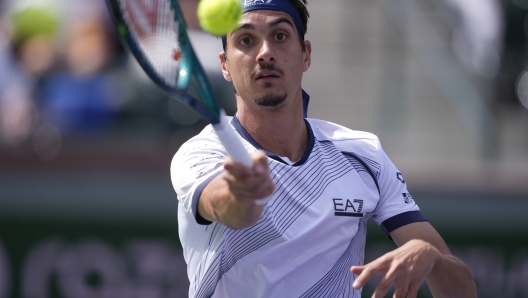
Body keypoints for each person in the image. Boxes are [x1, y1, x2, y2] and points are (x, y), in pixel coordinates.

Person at [170, 0, 477, 297]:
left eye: (280, 36)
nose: (265, 53)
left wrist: (431, 259)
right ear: (225, 64)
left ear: (306, 55)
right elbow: (229, 207)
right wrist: (242, 193)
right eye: (246, 40)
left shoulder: (363, 154)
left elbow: (462, 290)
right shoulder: (200, 154)